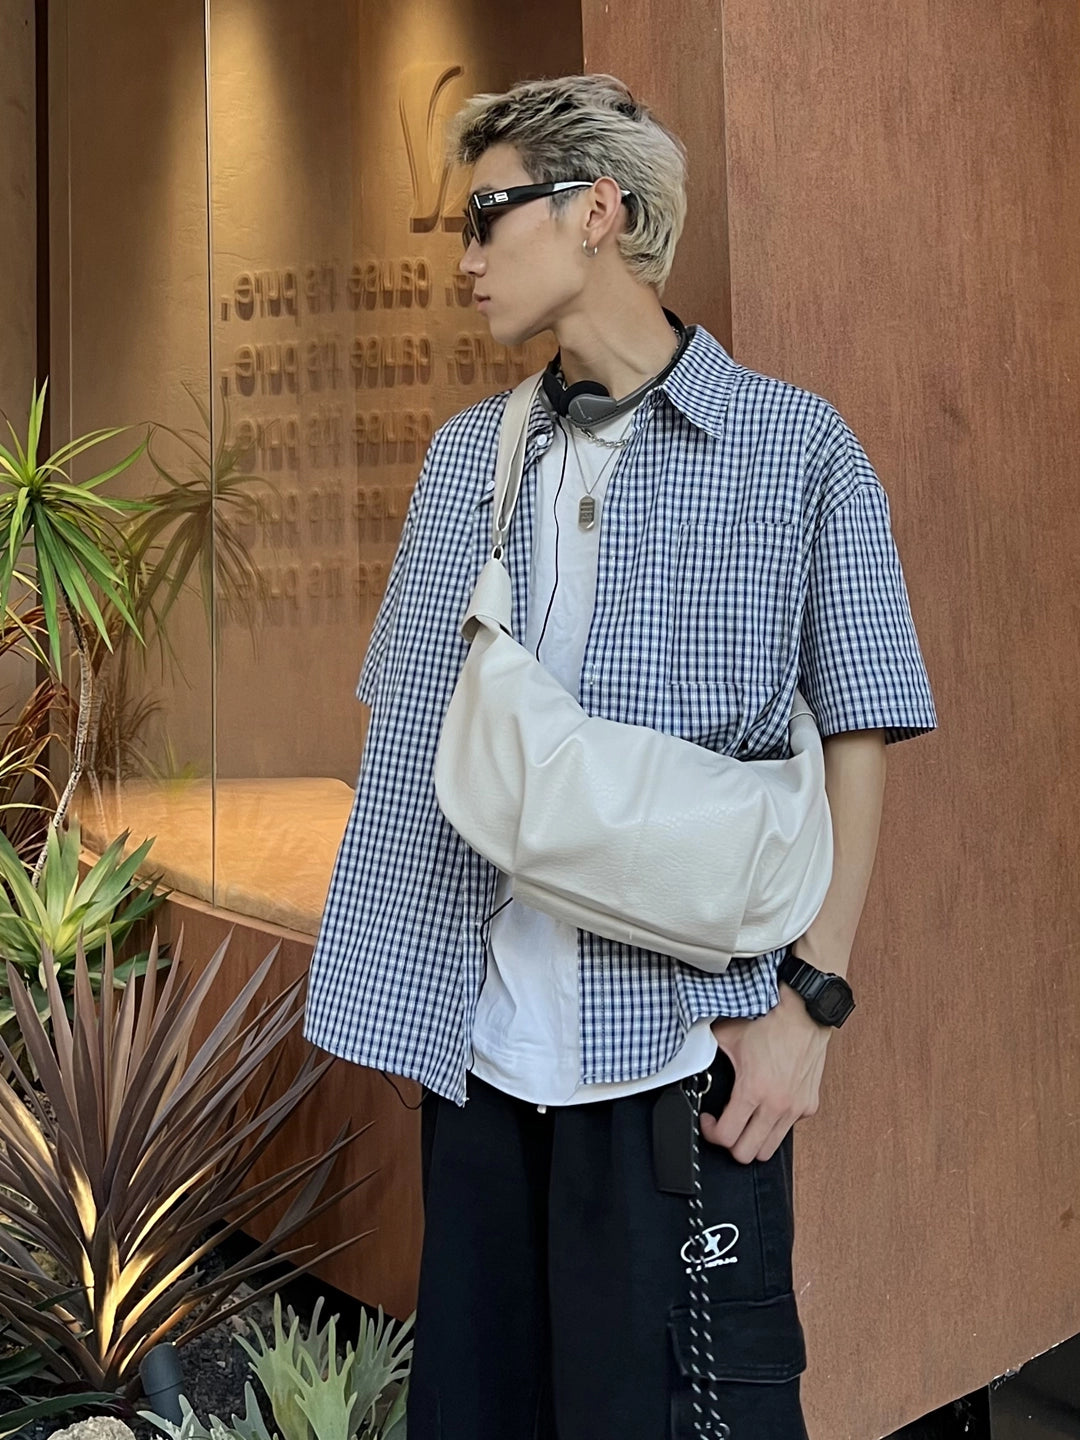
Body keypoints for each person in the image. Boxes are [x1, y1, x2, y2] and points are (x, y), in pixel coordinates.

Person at [305, 73, 936, 1440]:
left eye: (487, 215)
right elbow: (407, 740)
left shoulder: (794, 448)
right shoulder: (471, 459)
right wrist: (402, 1005)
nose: (466, 259)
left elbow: (865, 723)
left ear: (598, 210)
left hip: (682, 1064)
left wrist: (810, 1010)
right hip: (485, 1066)